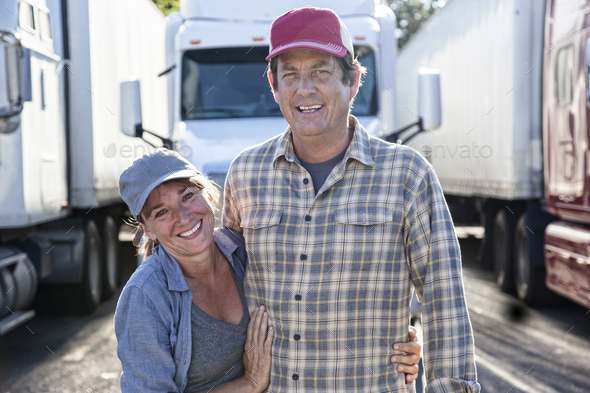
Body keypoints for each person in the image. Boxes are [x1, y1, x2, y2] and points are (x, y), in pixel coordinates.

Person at [222, 6, 481, 393]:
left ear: (354, 80)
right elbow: (222, 289)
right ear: (274, 87)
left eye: (321, 72)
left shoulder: (407, 175)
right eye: (289, 75)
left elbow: (444, 301)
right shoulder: (245, 174)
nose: (304, 89)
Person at [114, 149, 421, 392]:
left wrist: (396, 341)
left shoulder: (246, 251)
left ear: (207, 195)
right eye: (162, 212)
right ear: (148, 230)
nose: (183, 216)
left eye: (187, 196)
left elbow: (323, 293)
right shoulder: (146, 296)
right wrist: (248, 385)